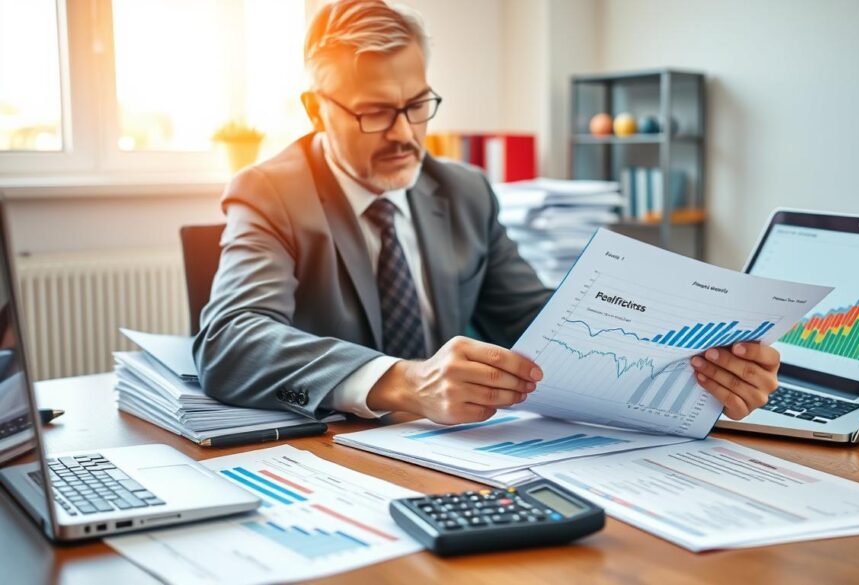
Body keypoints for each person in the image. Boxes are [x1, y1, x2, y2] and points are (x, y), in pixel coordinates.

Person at [194, 0, 781, 426]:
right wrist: (403, 381)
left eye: (417, 105)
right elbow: (229, 341)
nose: (405, 134)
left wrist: (693, 372)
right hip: (325, 458)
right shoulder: (269, 191)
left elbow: (541, 324)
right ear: (316, 110)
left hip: (454, 456)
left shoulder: (465, 191)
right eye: (375, 112)